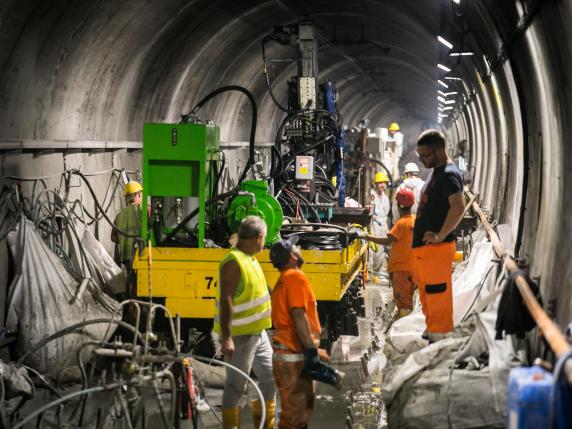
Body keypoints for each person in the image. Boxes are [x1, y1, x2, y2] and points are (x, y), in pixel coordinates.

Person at [269, 235, 344, 429]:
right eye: (296, 248)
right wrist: (311, 350)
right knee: (295, 418)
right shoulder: (295, 277)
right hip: (293, 356)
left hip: (288, 354)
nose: (299, 249)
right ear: (292, 257)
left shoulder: (284, 280)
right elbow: (298, 315)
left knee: (297, 414)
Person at [214, 216, 276, 429]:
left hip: (258, 333)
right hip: (240, 336)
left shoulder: (250, 258)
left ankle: (265, 424)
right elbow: (226, 300)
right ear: (258, 237)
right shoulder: (233, 261)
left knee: (270, 378)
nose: (264, 244)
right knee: (235, 386)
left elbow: (261, 290)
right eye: (264, 239)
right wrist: (227, 337)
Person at [412, 129, 465, 343]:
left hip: (436, 250)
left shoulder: (449, 174)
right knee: (427, 292)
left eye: (425, 155)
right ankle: (432, 328)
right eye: (420, 156)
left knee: (437, 293)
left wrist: (440, 235)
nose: (422, 160)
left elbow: (458, 207)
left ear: (439, 150)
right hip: (426, 252)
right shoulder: (437, 171)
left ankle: (440, 335)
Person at [365, 188, 417, 318]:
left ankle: (401, 332)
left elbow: (387, 240)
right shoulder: (417, 221)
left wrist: (368, 237)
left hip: (401, 270)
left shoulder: (401, 223)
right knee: (411, 300)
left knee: (404, 304)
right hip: (415, 268)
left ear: (398, 206)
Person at [111, 180, 143, 269]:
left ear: (127, 198)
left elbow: (113, 238)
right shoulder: (144, 212)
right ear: (139, 194)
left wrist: (123, 238)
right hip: (140, 254)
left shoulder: (119, 216)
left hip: (126, 257)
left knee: (131, 280)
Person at [370, 171, 390, 282]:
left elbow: (386, 213)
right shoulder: (371, 195)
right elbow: (369, 210)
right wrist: (375, 218)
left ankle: (376, 273)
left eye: (384, 183)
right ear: (376, 184)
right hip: (374, 225)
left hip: (383, 227)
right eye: (379, 183)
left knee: (381, 252)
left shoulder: (386, 198)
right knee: (372, 251)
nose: (382, 185)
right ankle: (370, 274)